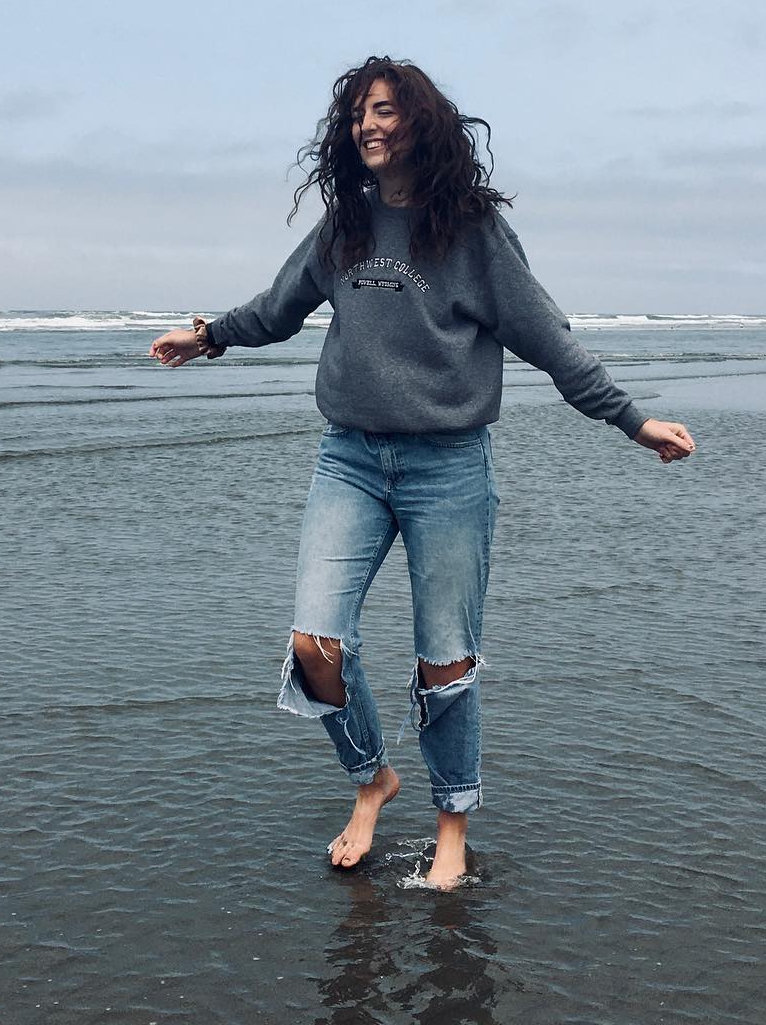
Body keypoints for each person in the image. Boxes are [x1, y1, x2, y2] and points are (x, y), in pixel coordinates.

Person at [150, 56, 694, 889]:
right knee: (314, 644)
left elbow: (545, 335)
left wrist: (631, 418)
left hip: (449, 469)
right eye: (362, 113)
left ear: (422, 125)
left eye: (387, 112)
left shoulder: (470, 231)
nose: (371, 125)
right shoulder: (346, 228)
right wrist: (210, 335)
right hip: (352, 459)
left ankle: (451, 826)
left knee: (446, 659)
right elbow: (278, 307)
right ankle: (373, 781)